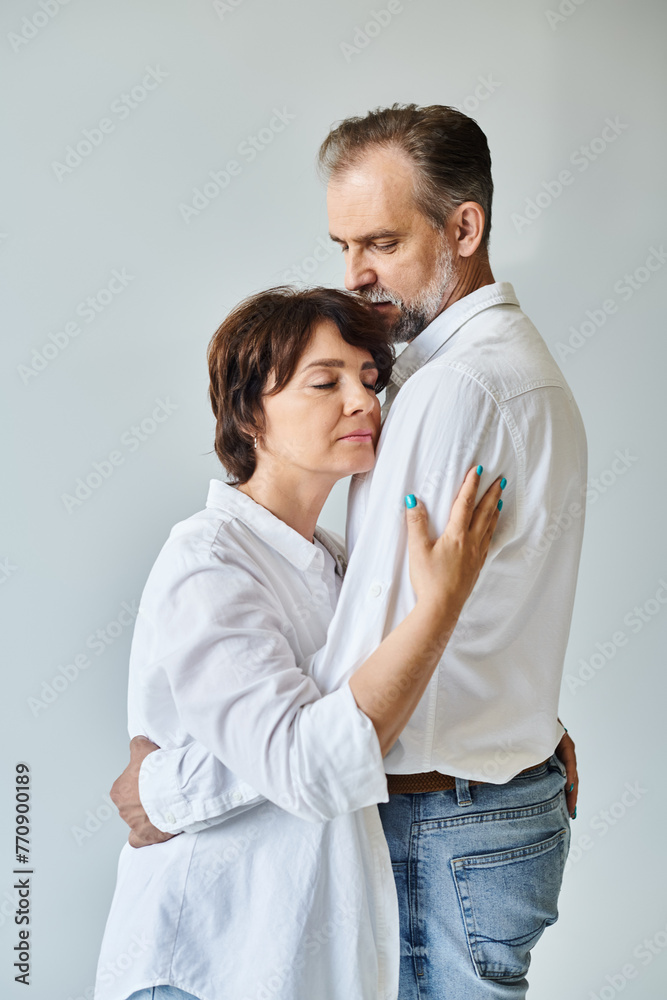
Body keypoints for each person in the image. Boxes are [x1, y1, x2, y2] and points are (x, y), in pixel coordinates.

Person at [112, 104, 587, 998]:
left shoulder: (455, 390)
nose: (357, 274)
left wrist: (167, 790)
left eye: (379, 241)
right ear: (249, 414)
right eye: (341, 245)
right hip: (445, 815)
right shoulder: (467, 373)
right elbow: (325, 716)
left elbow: (333, 713)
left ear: (464, 227)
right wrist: (520, 723)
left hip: (440, 822)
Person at [94, 285, 504, 1000]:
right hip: (204, 962)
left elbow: (367, 713)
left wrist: (524, 736)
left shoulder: (341, 562)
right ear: (249, 413)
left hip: (291, 962)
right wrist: (438, 605)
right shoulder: (208, 562)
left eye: (370, 380)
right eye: (325, 382)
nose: (362, 402)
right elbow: (300, 759)